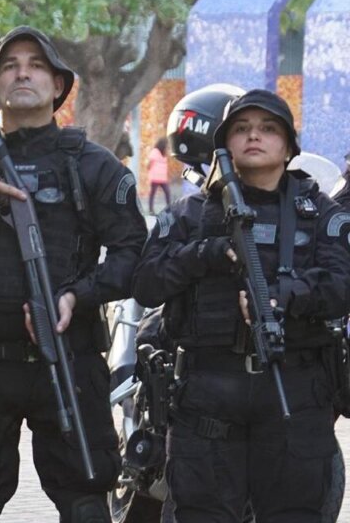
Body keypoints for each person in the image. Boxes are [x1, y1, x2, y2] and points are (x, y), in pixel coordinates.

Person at [0, 25, 147, 523]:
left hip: (70, 358)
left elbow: (134, 257)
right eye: (10, 66)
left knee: (86, 503)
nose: (23, 74)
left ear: (58, 86)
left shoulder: (93, 165)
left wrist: (77, 296)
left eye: (36, 66)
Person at [133, 88, 350, 522]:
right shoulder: (189, 215)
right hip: (206, 401)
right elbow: (146, 284)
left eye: (268, 128)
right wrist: (204, 254)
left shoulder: (321, 215)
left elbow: (342, 284)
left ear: (288, 147)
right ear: (224, 144)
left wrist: (285, 296)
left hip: (294, 395)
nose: (254, 136)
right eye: (242, 128)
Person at [147, 137, 171, 213]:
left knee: (167, 192)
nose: (167, 147)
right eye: (166, 145)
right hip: (155, 177)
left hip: (163, 178)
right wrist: (150, 170)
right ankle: (151, 210)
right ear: (163, 145)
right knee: (152, 193)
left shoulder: (164, 153)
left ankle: (169, 209)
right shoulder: (155, 151)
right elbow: (149, 163)